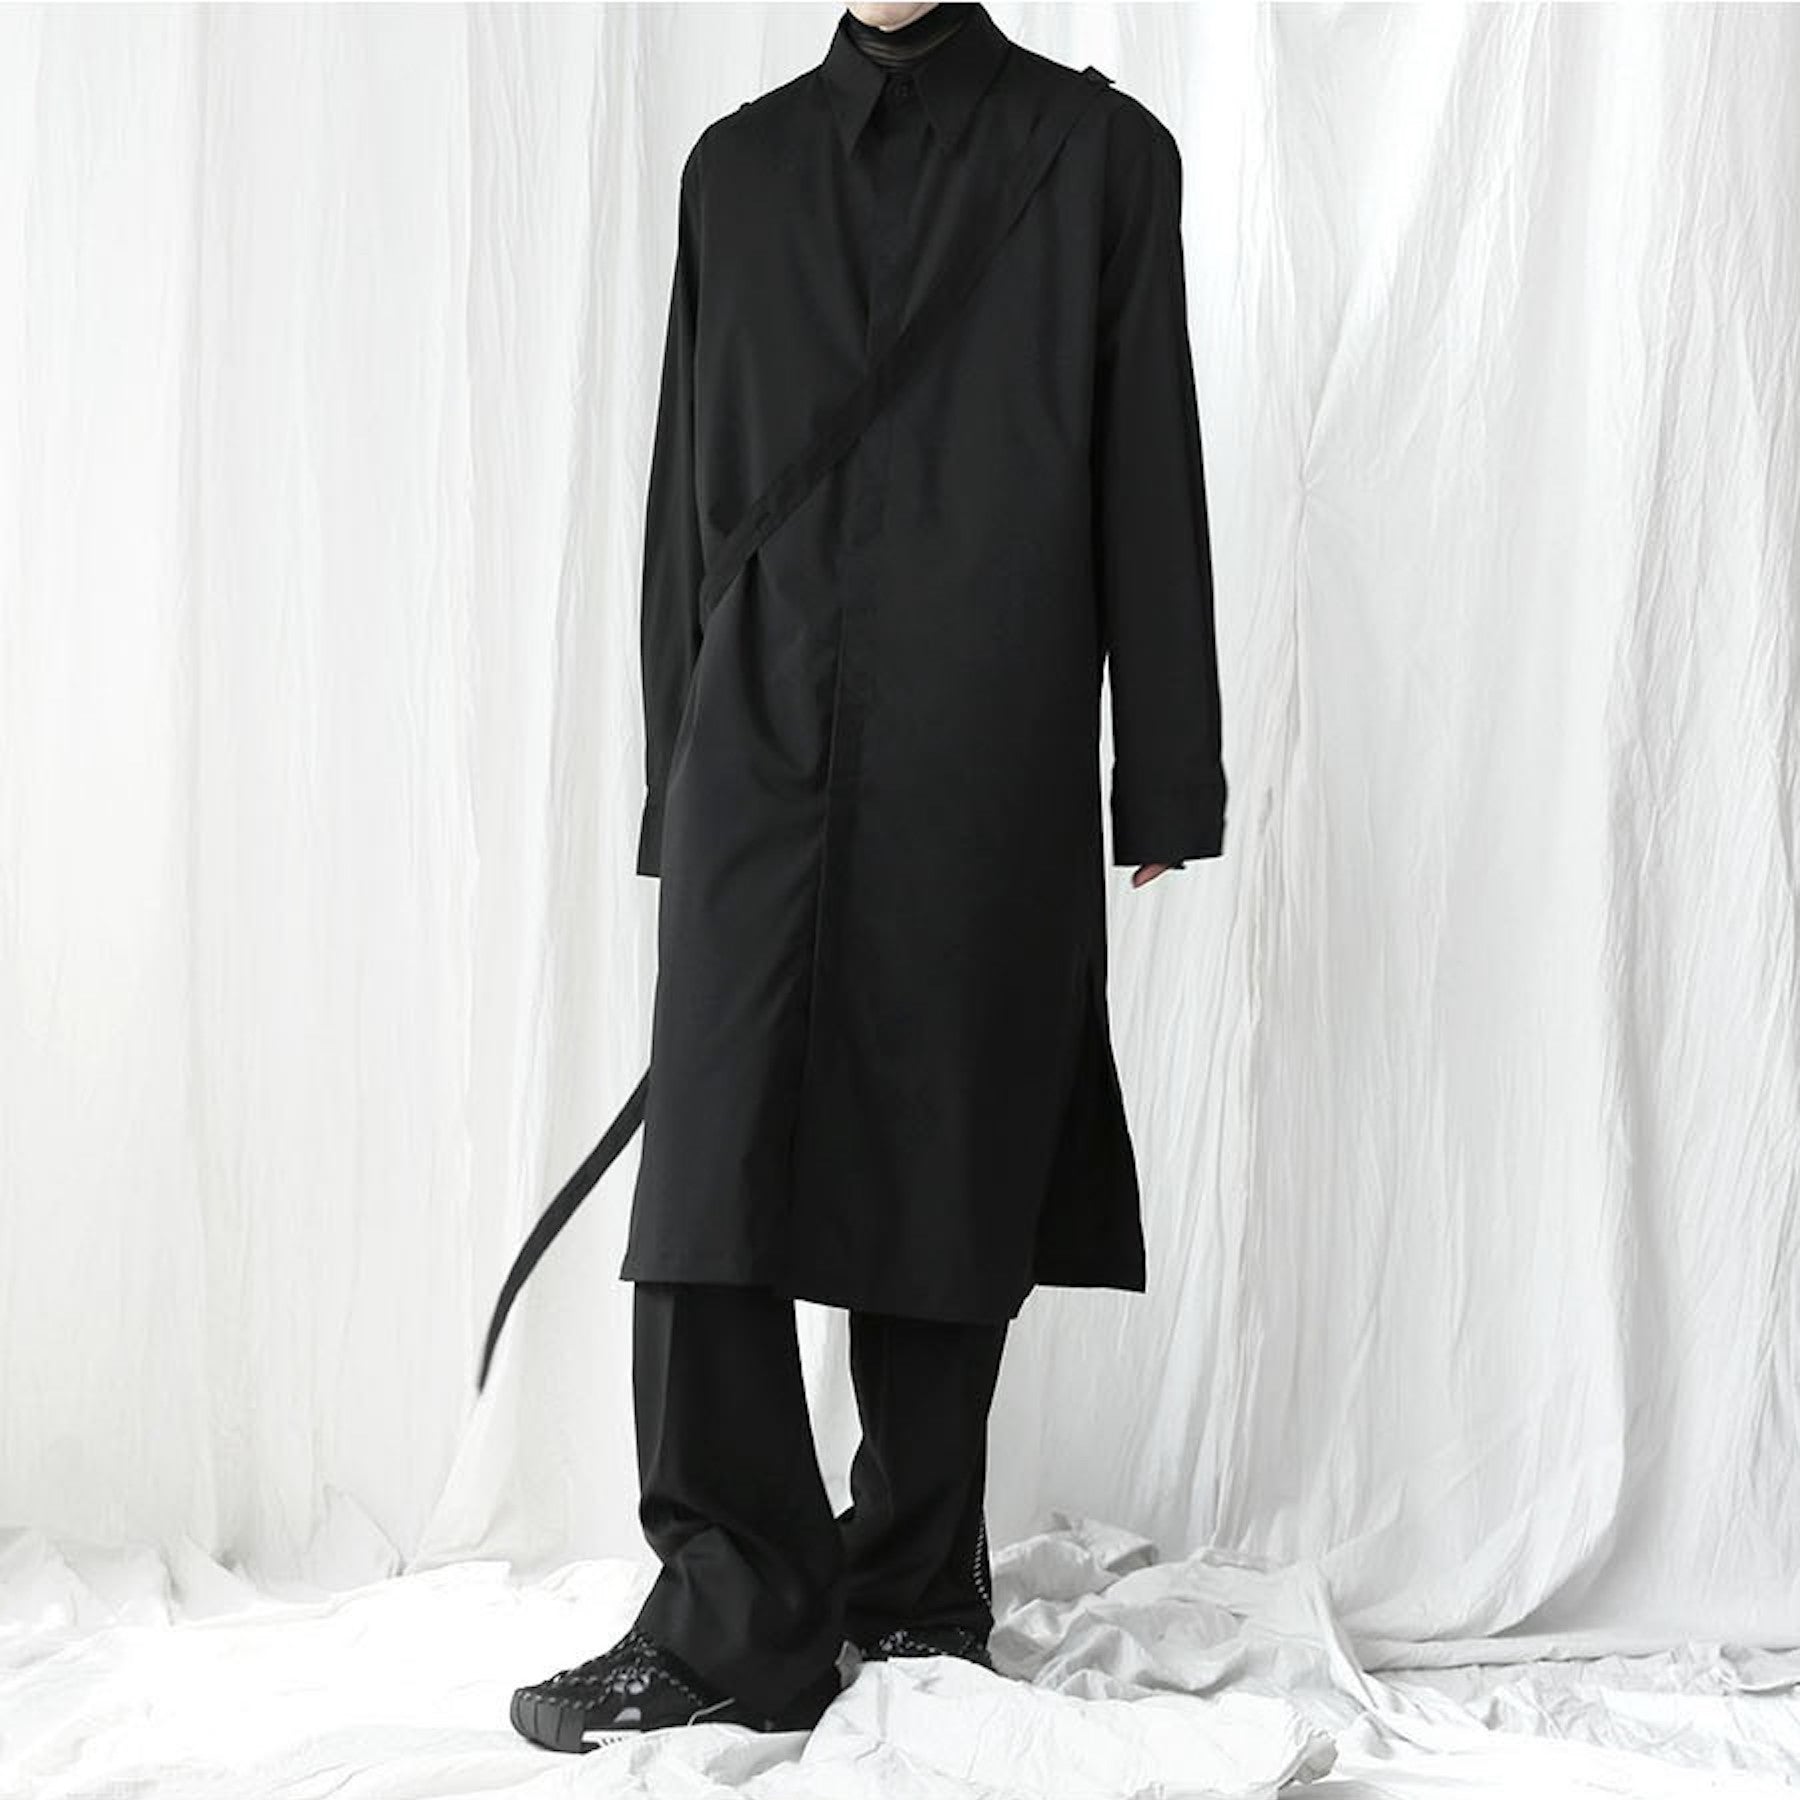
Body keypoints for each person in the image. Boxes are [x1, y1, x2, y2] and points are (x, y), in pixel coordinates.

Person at [509, 0, 1227, 1754]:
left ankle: (915, 1579)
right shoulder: (735, 172)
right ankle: (734, 1612)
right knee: (711, 1172)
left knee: (944, 1154)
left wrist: (1167, 771)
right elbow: (686, 498)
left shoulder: (1099, 158)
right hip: (757, 738)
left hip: (987, 738)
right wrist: (678, 773)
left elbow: (1150, 465)